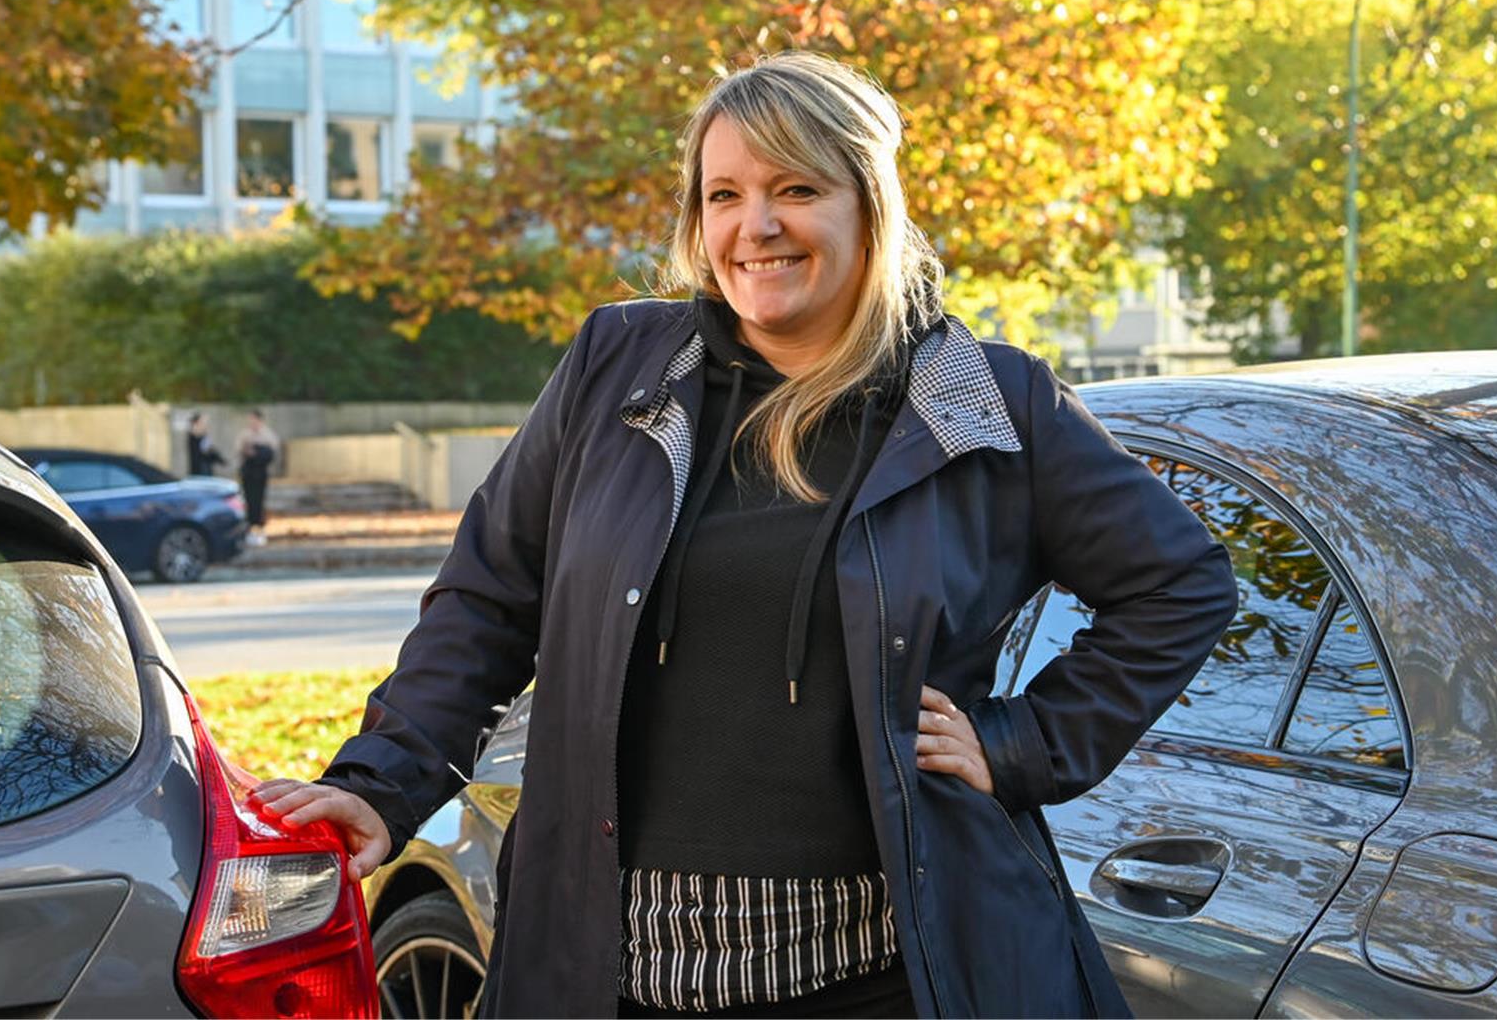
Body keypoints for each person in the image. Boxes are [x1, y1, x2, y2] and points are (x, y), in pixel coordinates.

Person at [250, 52, 1238, 1018]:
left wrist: (1021, 744)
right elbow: (489, 598)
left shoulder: (978, 398)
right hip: (604, 975)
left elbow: (1181, 584)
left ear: (869, 203)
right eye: (723, 195)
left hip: (884, 983)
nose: (755, 226)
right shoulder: (615, 369)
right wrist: (380, 785)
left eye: (796, 188)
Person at [233, 409, 279, 547]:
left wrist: (258, 452)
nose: (252, 422)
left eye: (254, 419)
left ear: (260, 420)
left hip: (261, 472)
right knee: (248, 499)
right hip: (248, 472)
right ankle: (249, 529)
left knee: (259, 500)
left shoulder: (267, 434)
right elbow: (239, 449)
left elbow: (272, 450)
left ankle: (260, 528)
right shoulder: (244, 434)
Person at [185, 411, 226, 476]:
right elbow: (195, 432)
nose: (204, 425)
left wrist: (220, 459)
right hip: (198, 468)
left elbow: (209, 449)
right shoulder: (194, 434)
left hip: (205, 467)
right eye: (201, 422)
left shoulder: (203, 436)